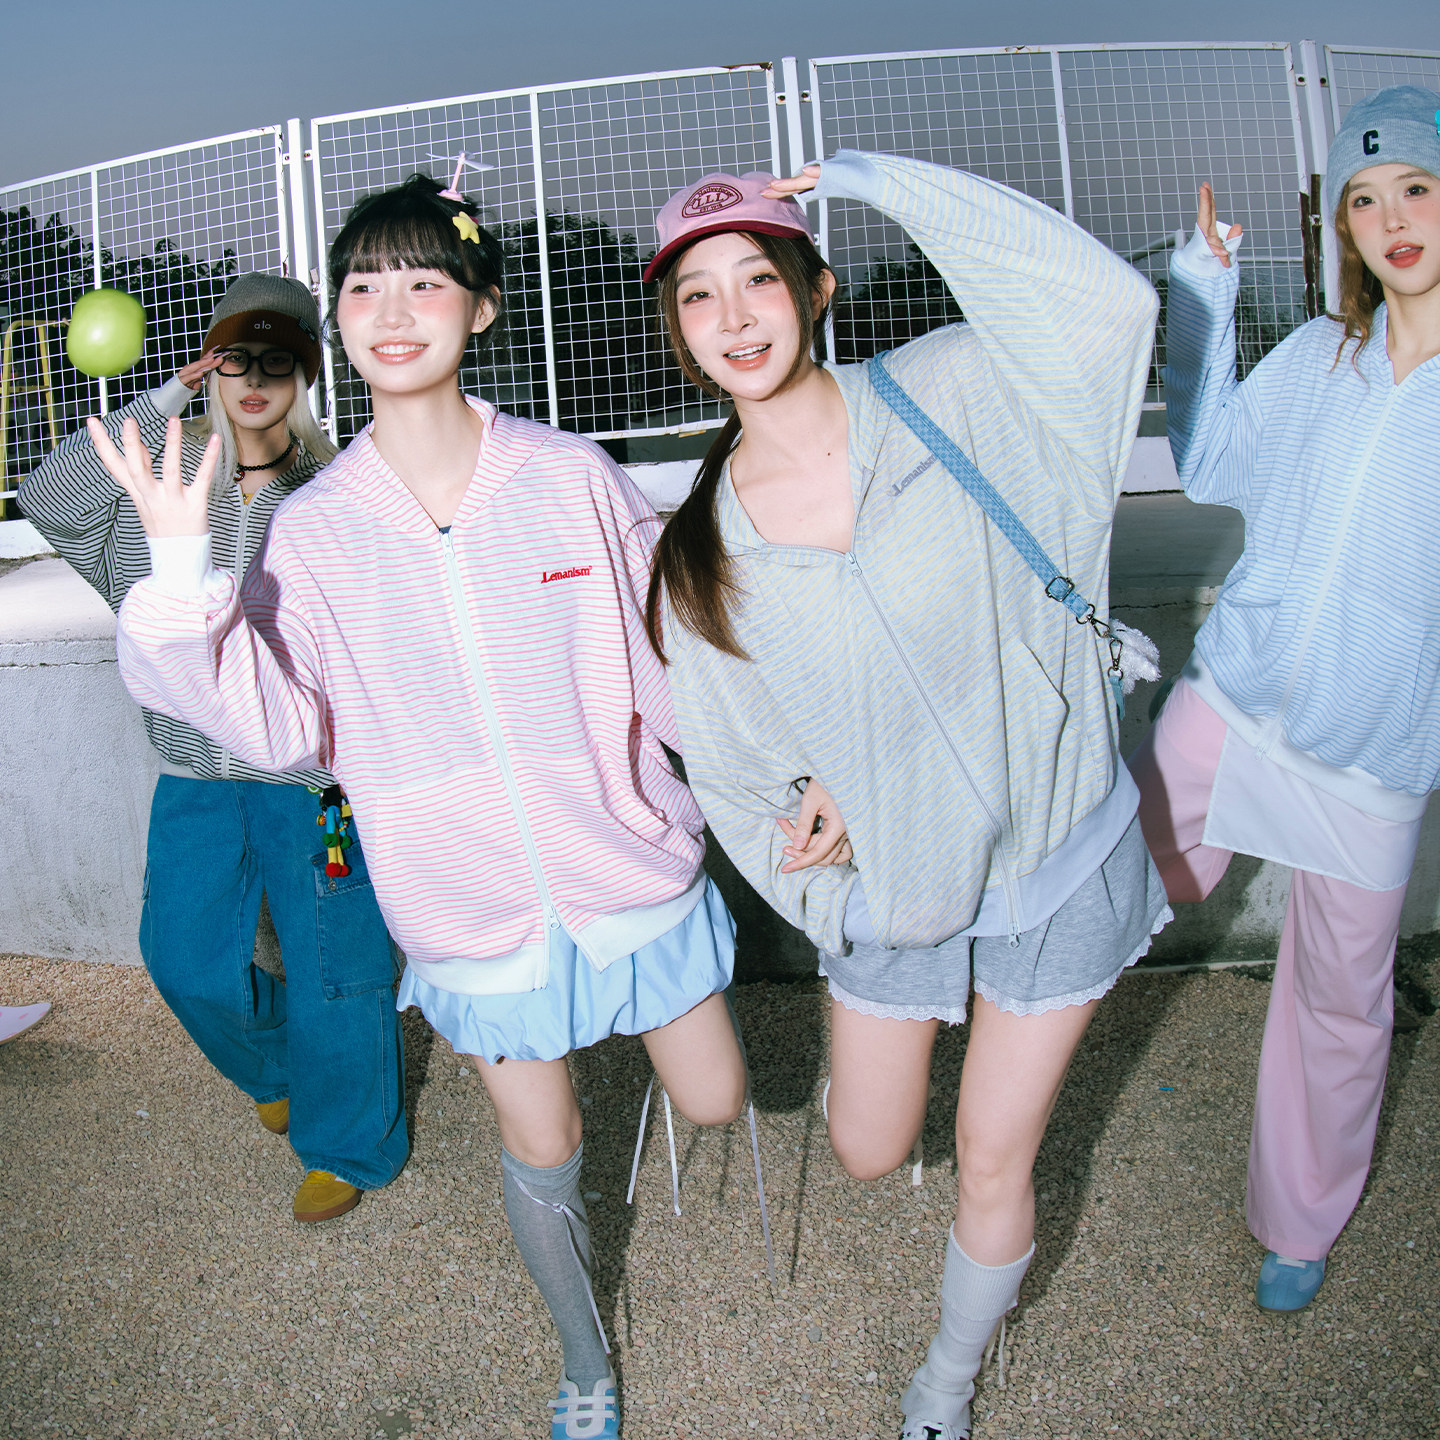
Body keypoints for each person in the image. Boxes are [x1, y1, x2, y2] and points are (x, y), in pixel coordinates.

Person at [101, 174, 747, 1440]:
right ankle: (584, 1361)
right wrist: (182, 580)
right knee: (544, 1144)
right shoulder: (313, 530)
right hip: (467, 904)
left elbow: (676, 668)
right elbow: (278, 727)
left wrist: (770, 787)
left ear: (482, 306)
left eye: (423, 280)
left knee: (719, 1100)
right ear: (338, 317)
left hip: (628, 868)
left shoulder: (568, 476)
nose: (390, 311)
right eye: (361, 285)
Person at [643, 154, 1167, 1440]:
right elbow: (738, 771)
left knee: (993, 1153)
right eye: (699, 295)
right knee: (870, 1148)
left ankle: (948, 1376)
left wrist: (879, 180)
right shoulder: (702, 552)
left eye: (759, 278)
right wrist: (839, 874)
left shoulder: (950, 392)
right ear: (676, 330)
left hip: (1059, 846)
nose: (734, 317)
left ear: (814, 287)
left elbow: (1108, 310)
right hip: (898, 884)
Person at [1128, 85, 1440, 1314]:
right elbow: (1210, 455)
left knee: (1341, 1001)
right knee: (1109, 878)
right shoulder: (1321, 354)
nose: (1392, 219)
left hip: (1372, 755)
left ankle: (1299, 1219)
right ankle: (988, 1069)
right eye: (1365, 200)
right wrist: (1204, 290)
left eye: (1416, 188)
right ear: (1343, 229)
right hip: (1237, 696)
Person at [20, 274, 407, 1223]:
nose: (256, 378)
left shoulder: (336, 490)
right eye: (237, 357)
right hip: (194, 774)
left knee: (337, 967)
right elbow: (46, 495)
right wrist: (168, 396)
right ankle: (276, 1065)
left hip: (311, 783)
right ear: (212, 364)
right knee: (184, 960)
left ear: (306, 374)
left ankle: (349, 1144)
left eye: (280, 359)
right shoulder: (151, 490)